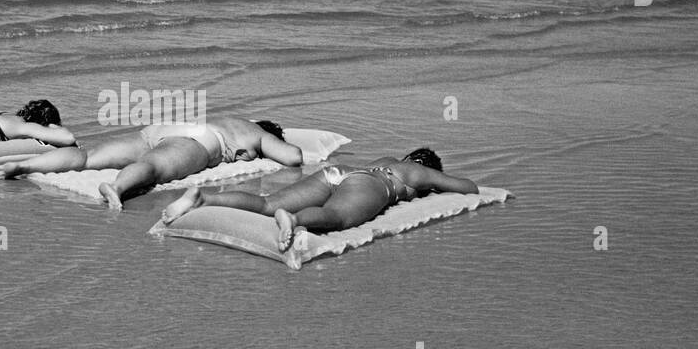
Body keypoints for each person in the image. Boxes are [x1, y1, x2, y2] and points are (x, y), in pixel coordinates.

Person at [162, 148, 478, 251]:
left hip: (338, 172)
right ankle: (295, 220)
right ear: (423, 163)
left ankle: (201, 199)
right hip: (370, 185)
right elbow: (467, 187)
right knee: (337, 218)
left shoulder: (388, 157)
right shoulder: (414, 171)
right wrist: (434, 183)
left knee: (267, 203)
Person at [0, 117, 303, 210]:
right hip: (202, 142)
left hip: (167, 129)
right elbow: (293, 157)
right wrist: (270, 143)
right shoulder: (255, 132)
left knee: (88, 157)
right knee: (153, 168)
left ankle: (23, 166)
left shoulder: (231, 117)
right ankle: (117, 186)